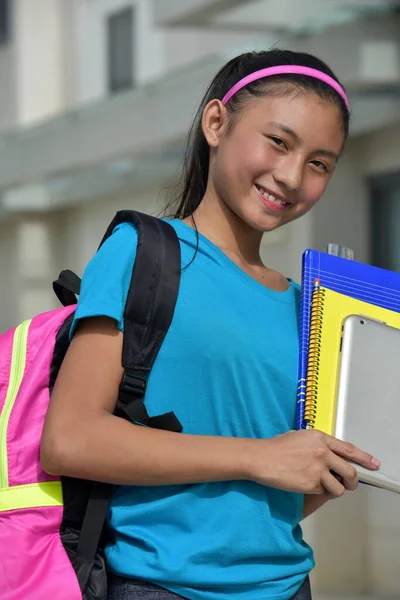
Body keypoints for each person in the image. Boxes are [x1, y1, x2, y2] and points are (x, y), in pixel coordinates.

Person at [41, 49, 380, 600]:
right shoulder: (142, 252)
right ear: (216, 122)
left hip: (290, 585)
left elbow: (288, 493)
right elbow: (70, 439)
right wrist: (260, 457)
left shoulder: (309, 310)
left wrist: (328, 465)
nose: (292, 176)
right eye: (279, 141)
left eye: (320, 163)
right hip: (162, 586)